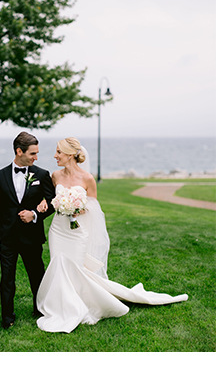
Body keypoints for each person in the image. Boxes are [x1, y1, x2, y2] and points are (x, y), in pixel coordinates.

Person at [34, 137, 187, 333]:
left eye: (59, 152)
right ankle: (60, 306)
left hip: (77, 230)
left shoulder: (87, 179)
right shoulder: (55, 176)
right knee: (58, 264)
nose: (55, 156)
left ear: (70, 155)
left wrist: (77, 208)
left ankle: (81, 304)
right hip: (58, 229)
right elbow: (48, 197)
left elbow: (93, 207)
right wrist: (46, 203)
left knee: (76, 268)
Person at [0, 131, 55, 329]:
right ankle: (7, 318)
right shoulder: (0, 176)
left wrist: (34, 214)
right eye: (33, 153)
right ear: (19, 151)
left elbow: (53, 203)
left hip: (31, 237)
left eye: (36, 153)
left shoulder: (42, 175)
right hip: (6, 237)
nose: (36, 157)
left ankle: (40, 309)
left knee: (36, 275)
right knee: (7, 278)